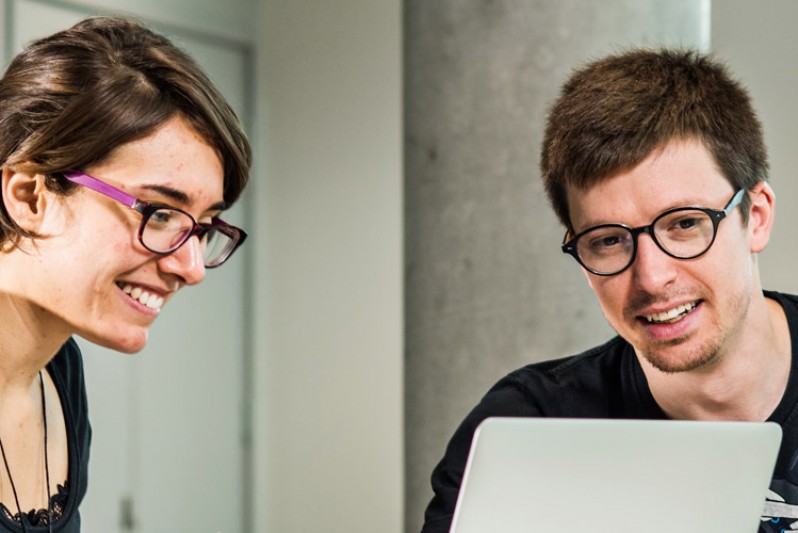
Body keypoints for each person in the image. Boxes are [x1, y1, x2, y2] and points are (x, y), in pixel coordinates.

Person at [421, 48, 798, 533]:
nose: (651, 278)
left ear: (758, 217)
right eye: (608, 241)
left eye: (684, 224)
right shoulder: (531, 431)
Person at [0, 16, 251, 532]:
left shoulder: (58, 370)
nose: (192, 267)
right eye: (159, 213)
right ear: (30, 196)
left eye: (203, 228)